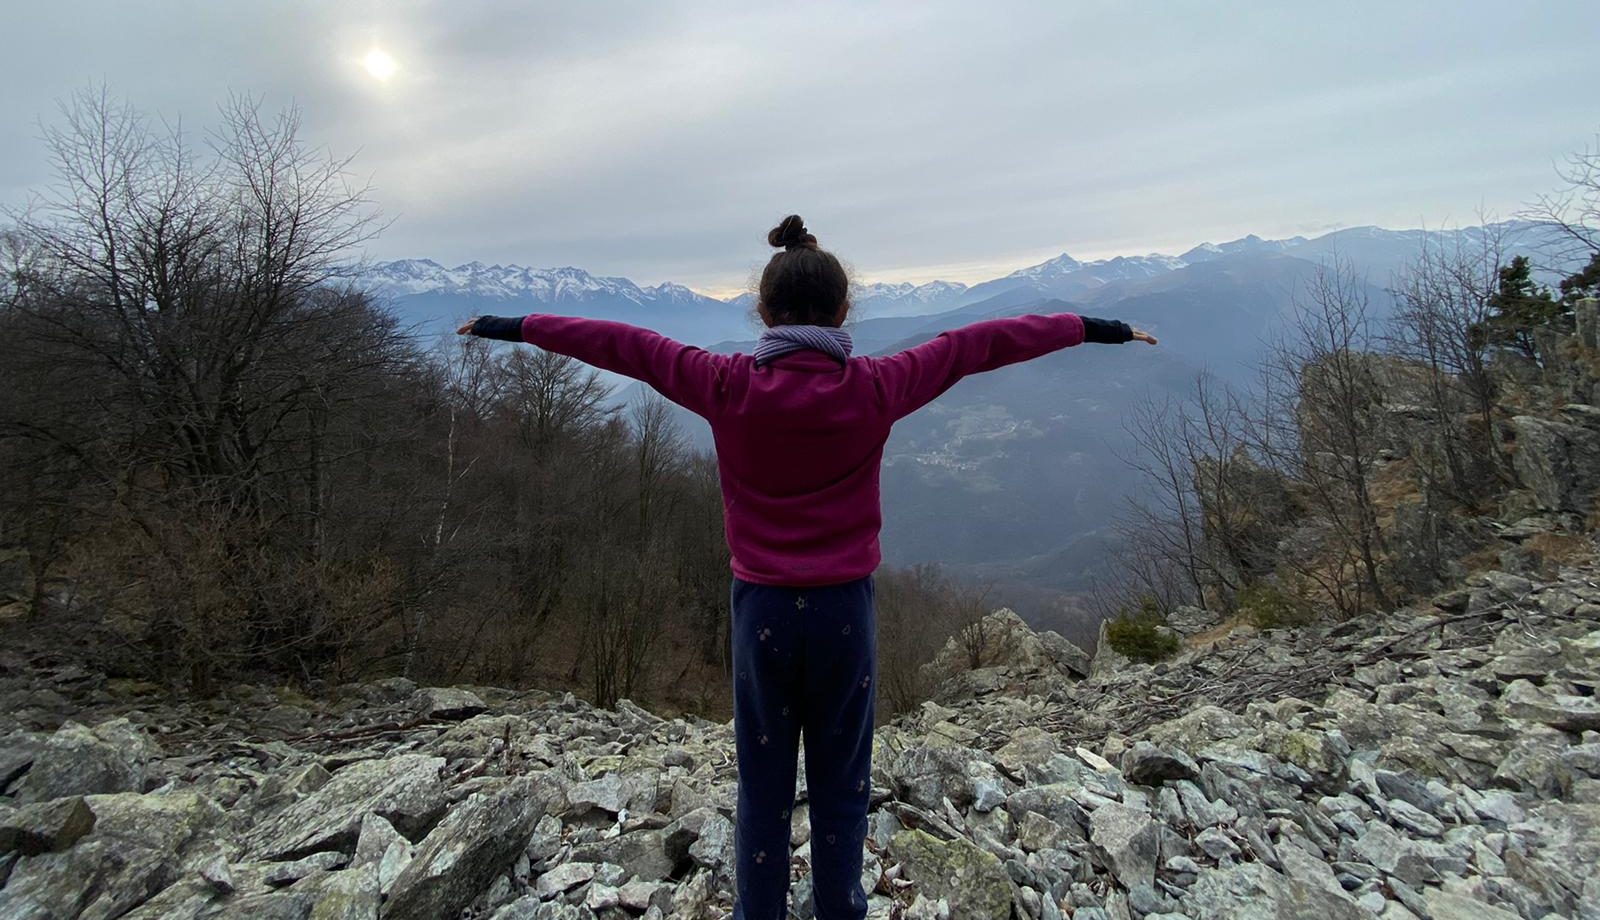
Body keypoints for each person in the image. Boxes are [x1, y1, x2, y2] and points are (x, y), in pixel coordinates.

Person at [459, 214, 1156, 919]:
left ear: (762, 313)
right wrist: (1098, 327)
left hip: (760, 610)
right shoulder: (877, 386)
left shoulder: (726, 385)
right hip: (843, 614)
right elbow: (981, 344)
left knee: (763, 786)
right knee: (842, 783)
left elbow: (626, 346)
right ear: (845, 310)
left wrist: (512, 325)